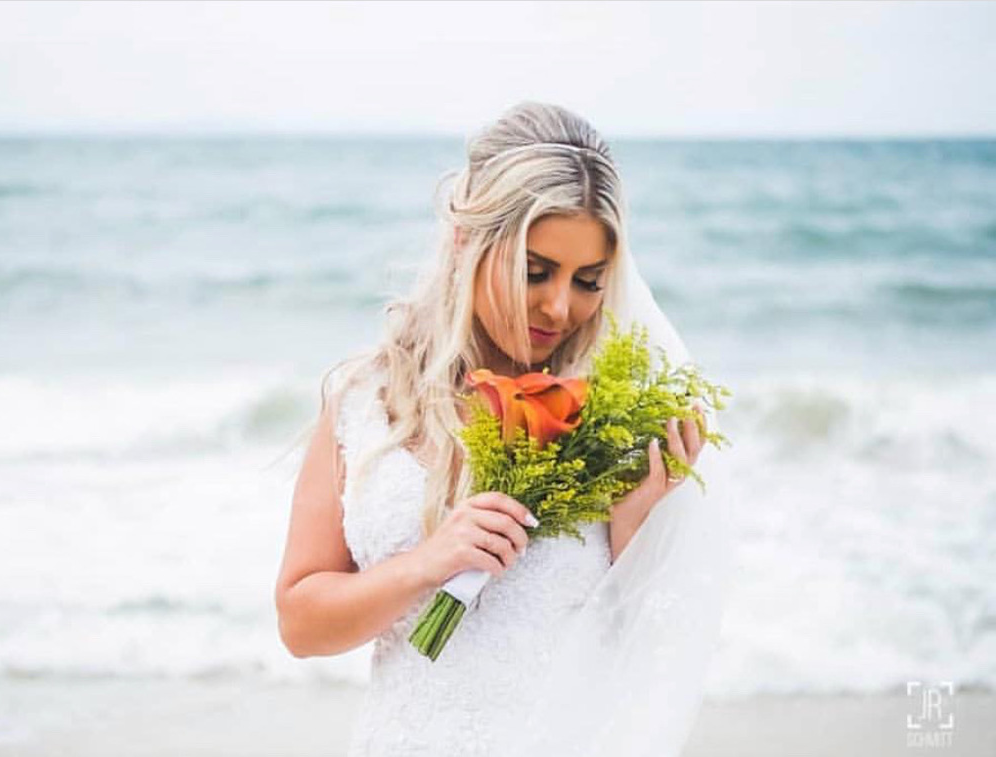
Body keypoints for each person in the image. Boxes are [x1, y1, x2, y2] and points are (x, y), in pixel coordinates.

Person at [274, 101, 732, 757]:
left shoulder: (618, 421)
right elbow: (300, 624)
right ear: (467, 240)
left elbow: (647, 649)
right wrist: (427, 564)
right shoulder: (366, 402)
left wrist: (635, 523)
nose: (559, 305)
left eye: (588, 280)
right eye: (536, 269)